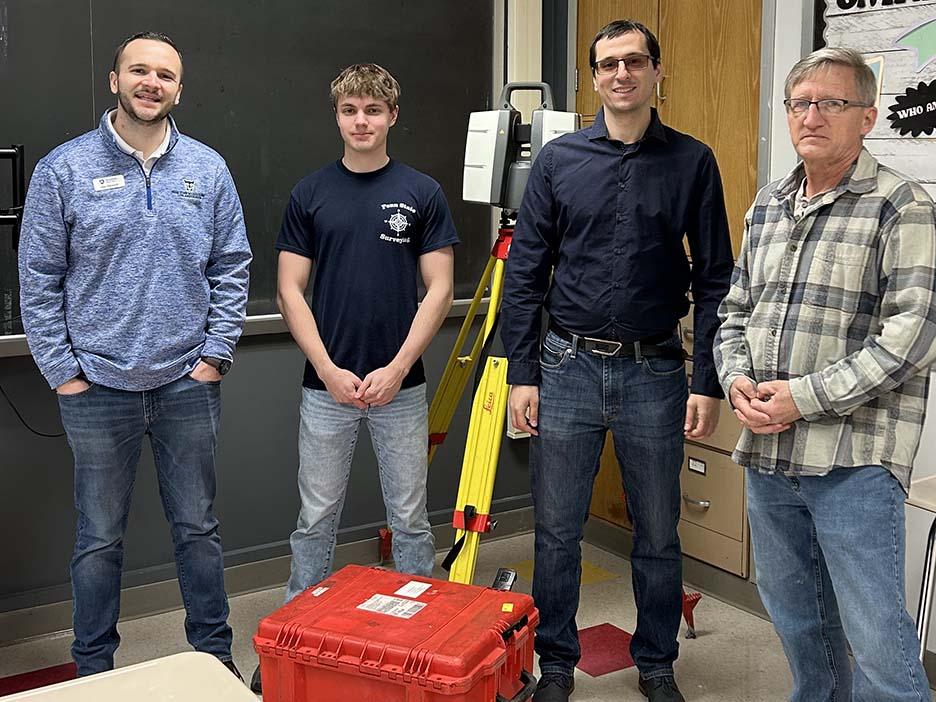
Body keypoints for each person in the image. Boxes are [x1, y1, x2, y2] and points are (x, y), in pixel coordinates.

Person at [501, 19, 733, 702]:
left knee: (658, 533)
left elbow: (715, 277)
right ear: (594, 77)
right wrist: (522, 373)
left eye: (634, 61)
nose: (621, 74)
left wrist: (707, 379)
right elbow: (526, 276)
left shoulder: (693, 162)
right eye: (607, 64)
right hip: (566, 366)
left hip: (656, 374)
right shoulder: (559, 161)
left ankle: (657, 662)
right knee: (556, 531)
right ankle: (558, 665)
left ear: (658, 72)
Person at [18, 32, 252, 678]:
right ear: (115, 81)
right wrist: (63, 372)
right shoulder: (63, 170)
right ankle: (93, 669)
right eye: (139, 71)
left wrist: (214, 357)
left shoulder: (207, 169)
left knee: (198, 532)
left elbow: (233, 266)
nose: (153, 83)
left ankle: (214, 659)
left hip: (187, 384)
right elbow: (38, 278)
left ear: (180, 88)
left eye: (166, 75)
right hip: (96, 389)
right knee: (98, 541)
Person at [714, 47, 936, 701]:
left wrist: (801, 400)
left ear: (866, 116)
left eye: (831, 103)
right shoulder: (769, 207)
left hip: (853, 466)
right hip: (768, 457)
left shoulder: (903, 206)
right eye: (801, 103)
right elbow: (734, 312)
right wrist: (736, 381)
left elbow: (912, 339)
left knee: (878, 650)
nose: (812, 115)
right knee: (800, 626)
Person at [260, 61, 457, 692]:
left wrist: (398, 368)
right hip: (327, 389)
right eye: (350, 110)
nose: (362, 121)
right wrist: (327, 368)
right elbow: (290, 289)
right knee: (315, 519)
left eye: (373, 110)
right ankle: (294, 643)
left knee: (409, 519)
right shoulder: (310, 194)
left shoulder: (422, 192)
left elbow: (440, 288)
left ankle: (422, 649)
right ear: (337, 116)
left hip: (401, 387)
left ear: (392, 117)